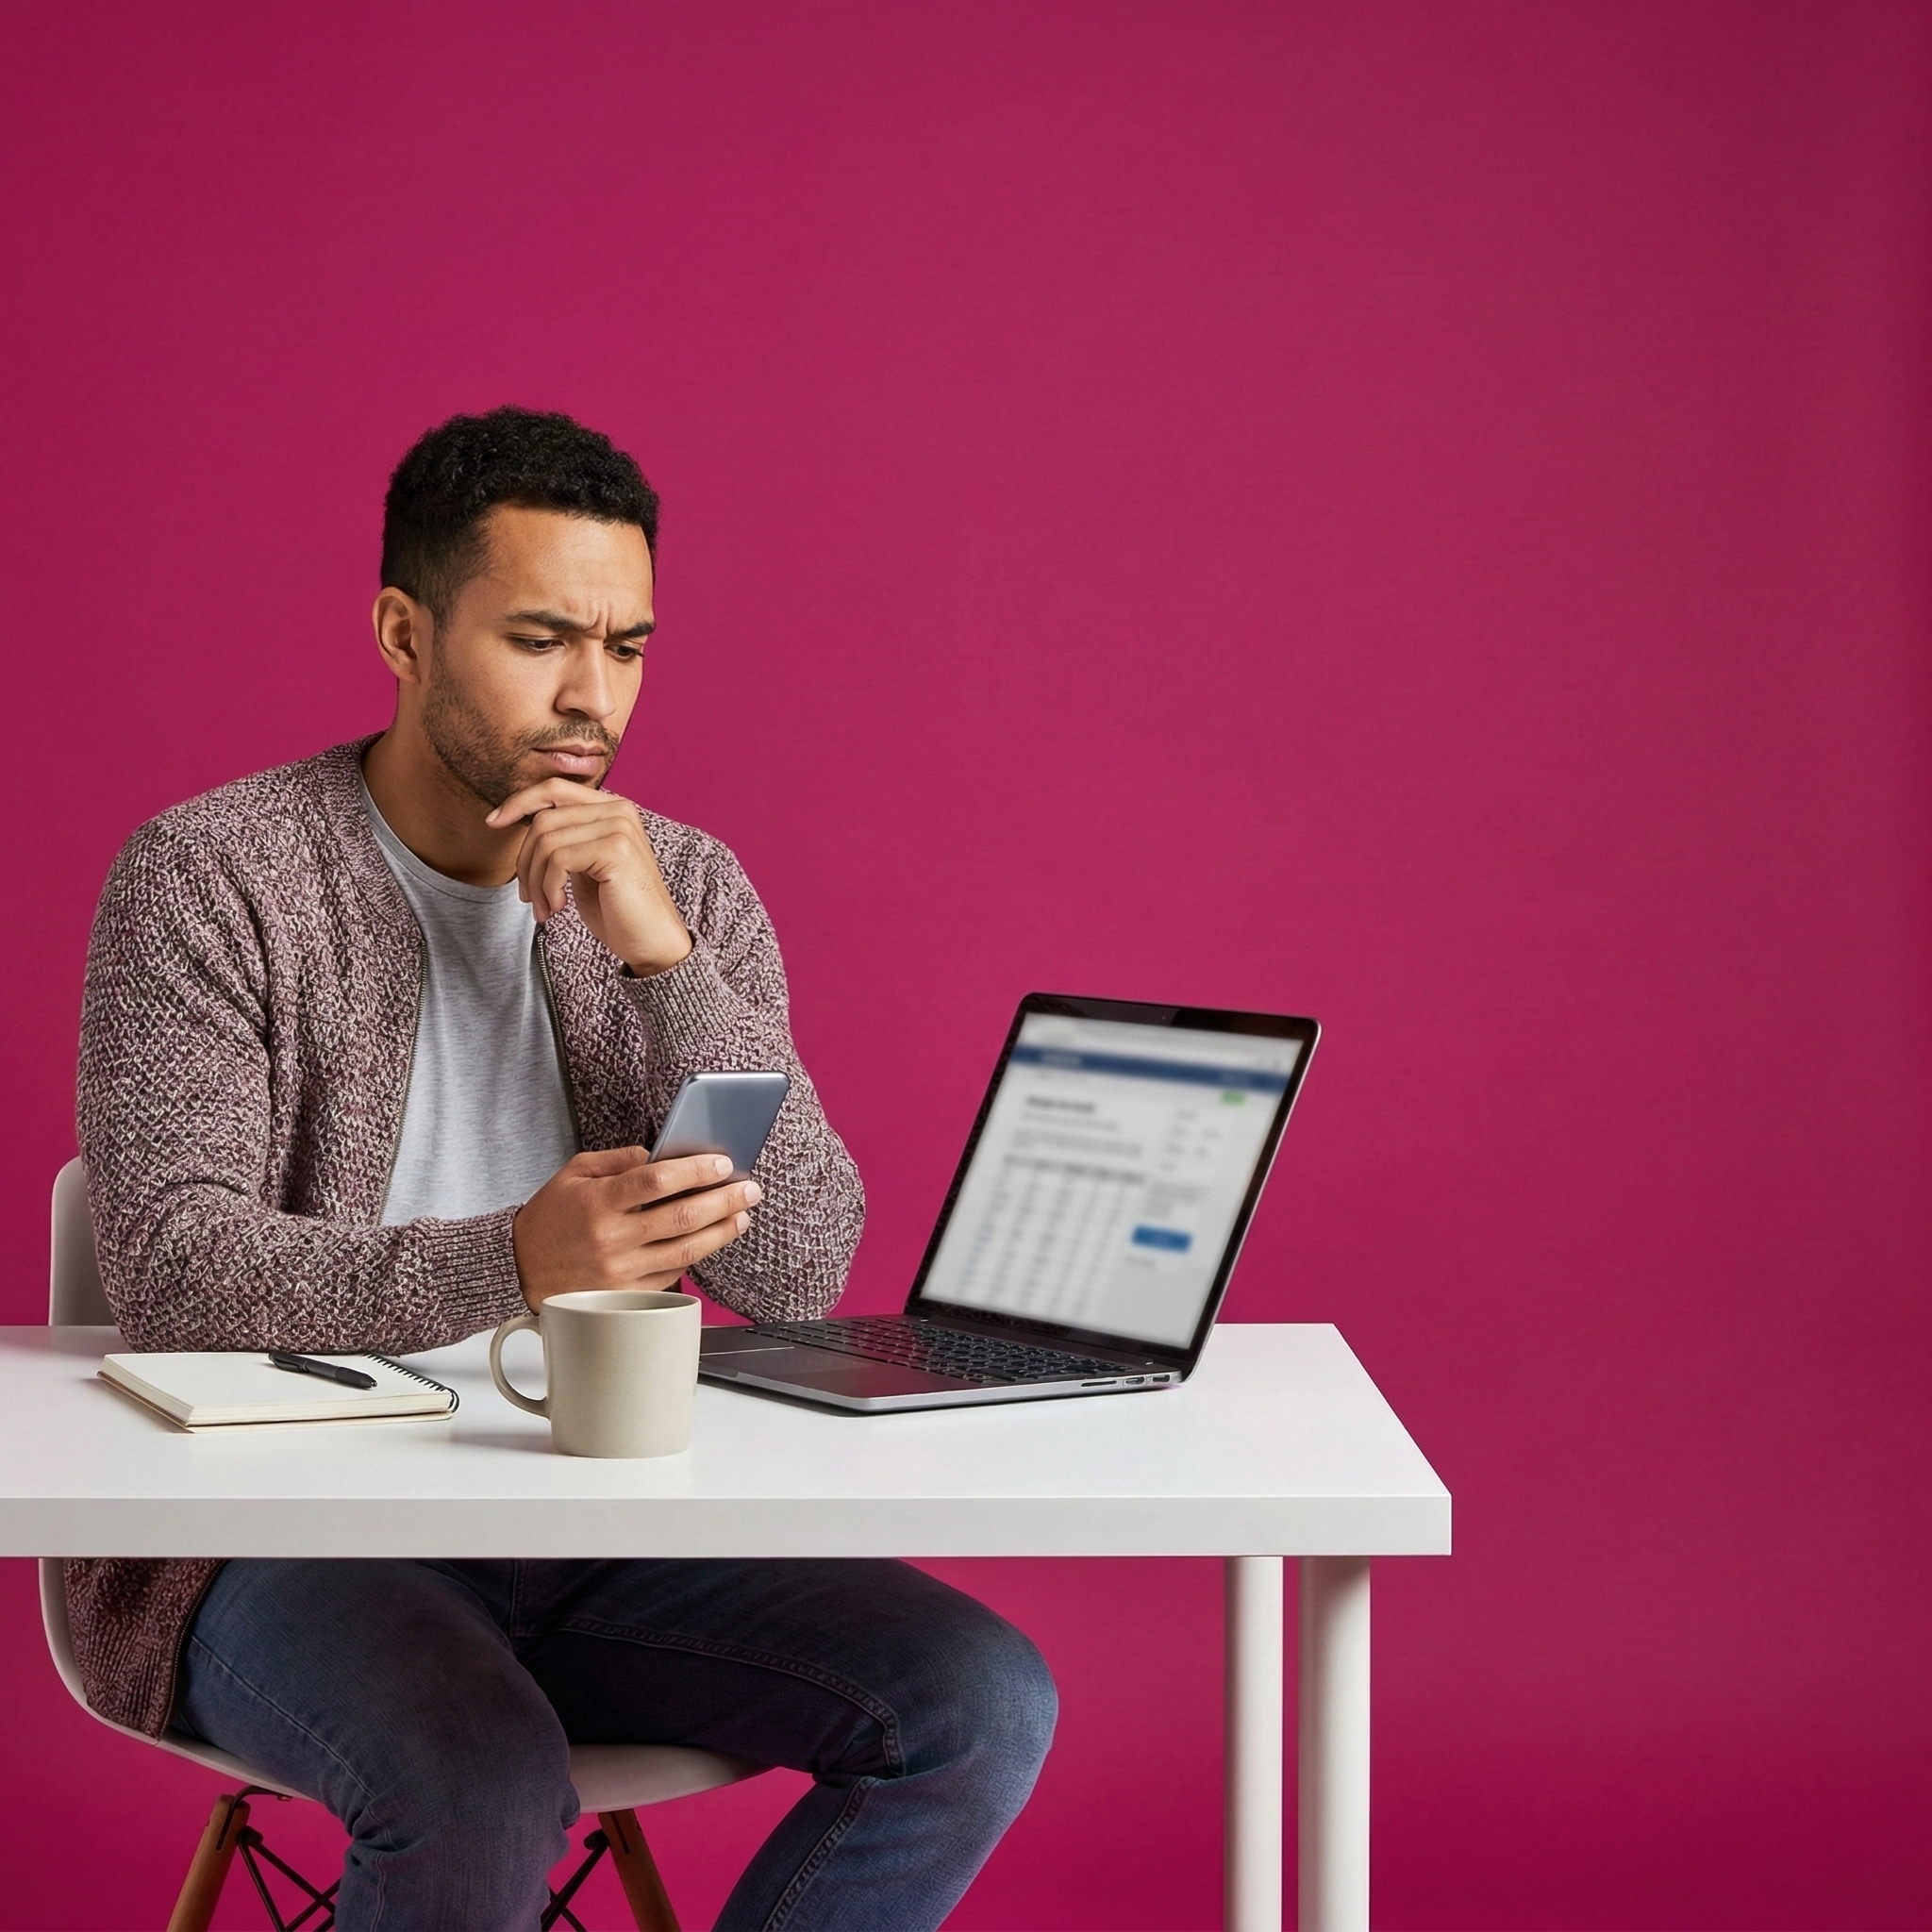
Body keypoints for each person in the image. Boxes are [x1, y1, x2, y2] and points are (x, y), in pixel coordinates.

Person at [70, 406, 1057, 1931]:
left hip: (605, 1518)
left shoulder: (686, 888)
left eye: (630, 646)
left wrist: (663, 963)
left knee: (976, 1700)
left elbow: (793, 1266)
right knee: (472, 1775)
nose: (592, 697)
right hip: (280, 1537)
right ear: (405, 630)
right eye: (540, 639)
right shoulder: (217, 875)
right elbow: (175, 1268)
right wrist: (515, 1259)